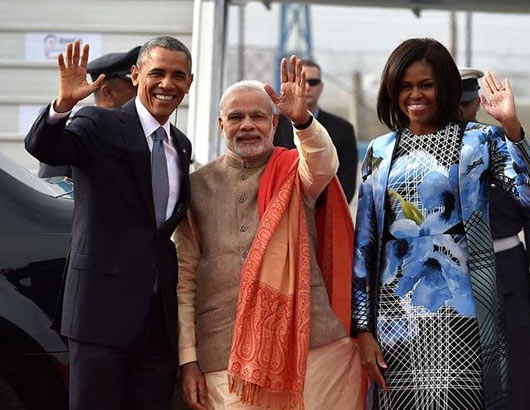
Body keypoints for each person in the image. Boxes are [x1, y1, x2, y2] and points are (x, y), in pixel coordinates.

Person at [175, 56, 363, 410]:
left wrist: (303, 122)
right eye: (236, 117)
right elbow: (185, 277)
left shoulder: (295, 170)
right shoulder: (196, 186)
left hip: (314, 347)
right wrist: (188, 359)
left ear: (274, 122)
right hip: (225, 352)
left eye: (258, 116)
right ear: (220, 125)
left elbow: (324, 164)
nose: (247, 125)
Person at [353, 38, 530, 410]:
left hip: (465, 315)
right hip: (395, 322)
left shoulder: (481, 141)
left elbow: (526, 194)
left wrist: (512, 128)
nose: (415, 94)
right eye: (405, 85)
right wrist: (363, 328)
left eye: (426, 84)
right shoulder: (379, 151)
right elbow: (365, 246)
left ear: (445, 87)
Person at [25, 36, 193, 410]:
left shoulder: (180, 145)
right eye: (158, 73)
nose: (168, 84)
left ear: (189, 82)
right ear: (136, 76)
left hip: (157, 321)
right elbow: (45, 147)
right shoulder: (97, 123)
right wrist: (63, 106)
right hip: (99, 316)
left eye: (178, 75)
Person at [459, 67, 530, 410]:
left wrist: (512, 127)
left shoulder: (499, 142)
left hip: (507, 273)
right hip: (455, 279)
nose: (461, 110)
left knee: (515, 365)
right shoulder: (424, 149)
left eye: (466, 102)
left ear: (476, 103)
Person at [38, 45, 140, 179]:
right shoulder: (77, 134)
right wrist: (63, 104)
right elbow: (55, 190)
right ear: (108, 93)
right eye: (134, 90)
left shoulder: (139, 132)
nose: (140, 96)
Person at [273, 59, 358, 203]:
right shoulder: (274, 126)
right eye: (301, 81)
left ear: (321, 87)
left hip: (323, 216)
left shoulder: (343, 130)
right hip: (279, 212)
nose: (306, 86)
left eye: (313, 82)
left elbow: (346, 186)